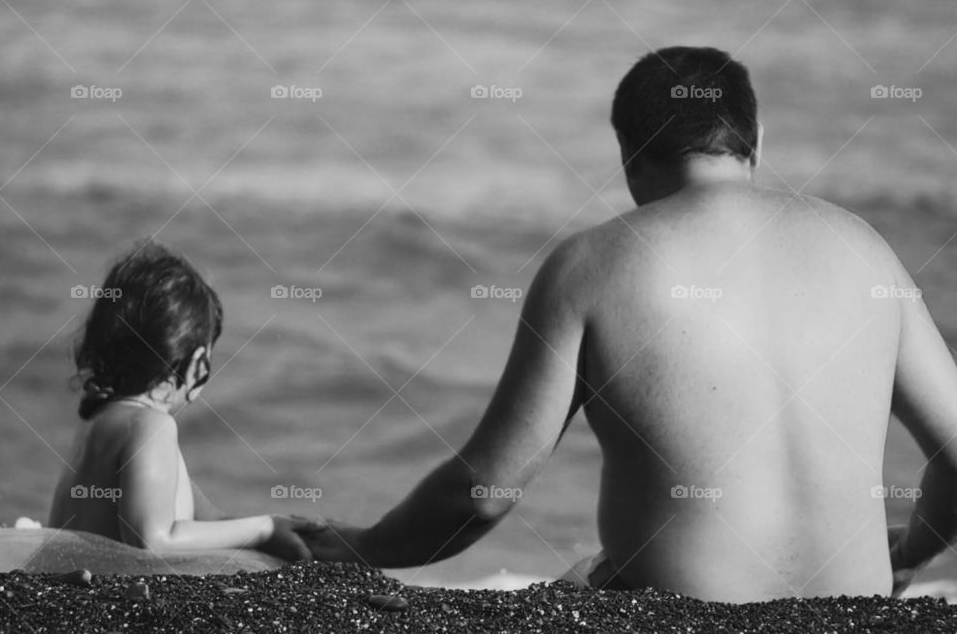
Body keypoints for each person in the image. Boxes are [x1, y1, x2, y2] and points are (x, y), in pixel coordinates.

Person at [302, 46, 957, 602]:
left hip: (680, 615)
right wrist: (910, 552)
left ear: (628, 152)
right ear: (756, 141)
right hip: (858, 612)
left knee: (573, 589)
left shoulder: (593, 262)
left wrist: (360, 549)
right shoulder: (863, 247)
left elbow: (484, 493)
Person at [48, 241, 313, 562]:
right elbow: (151, 540)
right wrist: (262, 529)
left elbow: (207, 521)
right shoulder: (150, 426)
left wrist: (272, 527)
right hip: (112, 591)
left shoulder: (96, 422)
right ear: (199, 363)